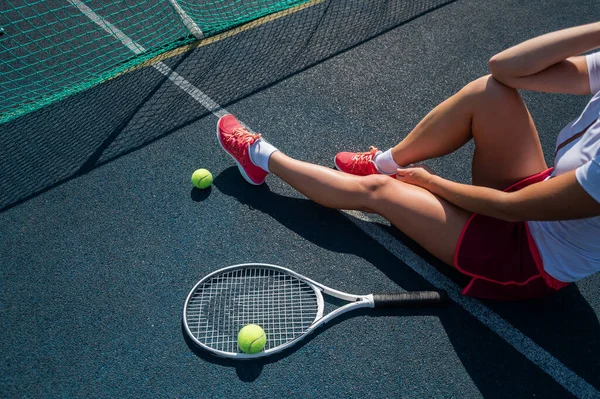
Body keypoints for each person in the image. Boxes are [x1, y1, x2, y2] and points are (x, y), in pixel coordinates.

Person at [217, 22, 600, 301]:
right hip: (539, 198)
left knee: (380, 192)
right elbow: (505, 68)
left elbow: (512, 210)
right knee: (491, 92)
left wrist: (431, 184)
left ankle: (257, 156)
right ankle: (383, 161)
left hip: (527, 256)